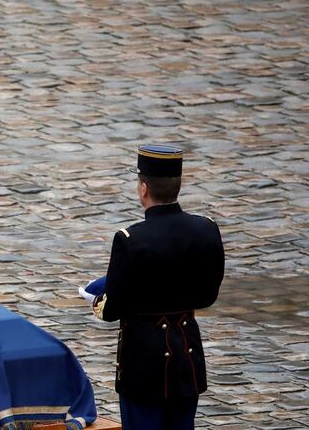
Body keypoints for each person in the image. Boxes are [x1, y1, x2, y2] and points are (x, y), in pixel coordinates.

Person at [91, 144, 225, 430]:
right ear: (178, 186)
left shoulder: (129, 239)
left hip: (143, 365)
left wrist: (97, 299)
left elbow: (110, 309)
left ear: (143, 188)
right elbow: (207, 296)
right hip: (186, 360)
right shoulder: (206, 228)